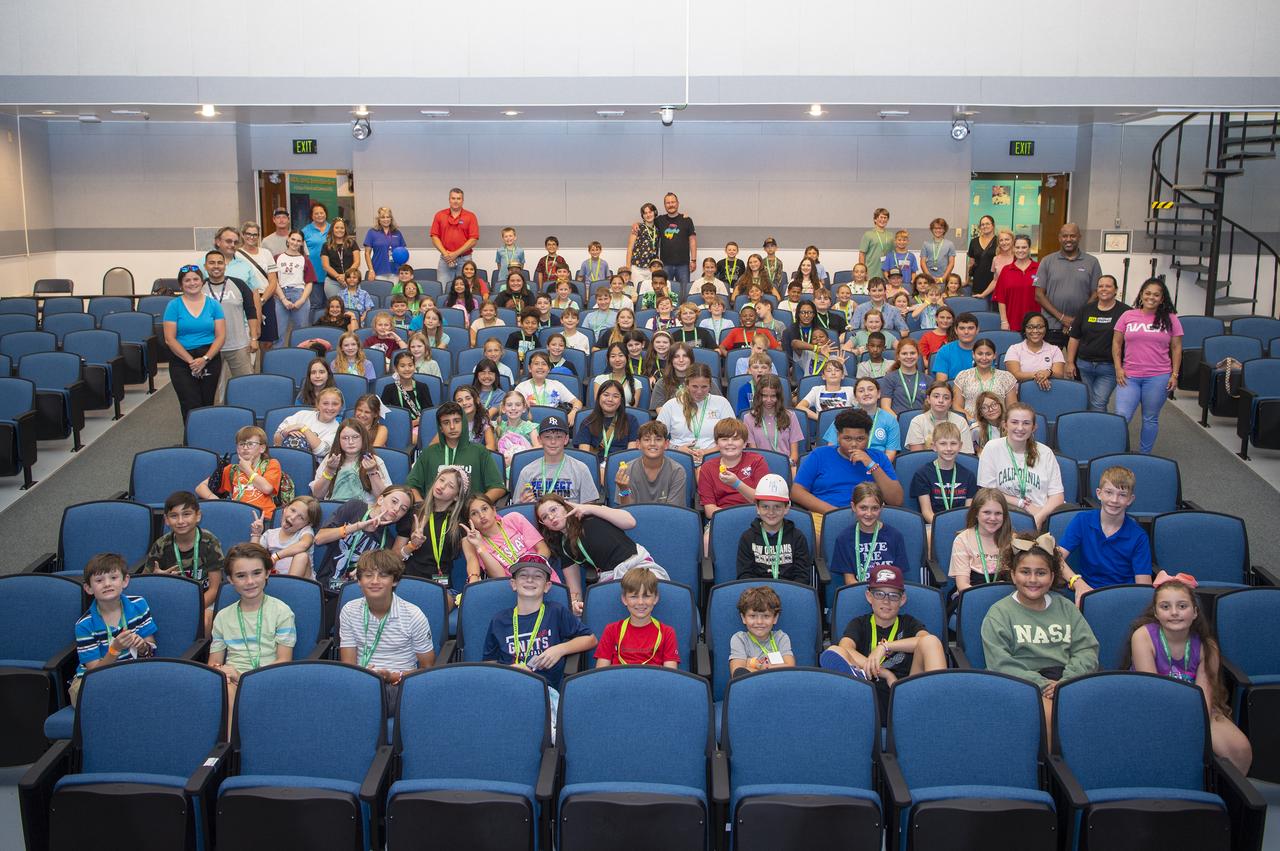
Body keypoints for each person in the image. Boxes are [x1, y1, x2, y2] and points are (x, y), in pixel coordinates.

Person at [1125, 572, 1252, 774]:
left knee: (1240, 750)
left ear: (1195, 612)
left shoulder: (1207, 646)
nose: (1174, 612)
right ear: (1156, 613)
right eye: (1165, 607)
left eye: (1182, 606)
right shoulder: (1143, 637)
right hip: (1150, 707)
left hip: (1196, 710)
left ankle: (1222, 791)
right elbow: (1153, 693)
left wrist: (1194, 724)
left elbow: (1204, 699)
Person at [980, 532, 1099, 725]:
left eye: (1041, 573)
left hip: (1067, 680)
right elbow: (999, 662)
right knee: (1054, 717)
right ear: (1013, 575)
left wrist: (1067, 682)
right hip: (1022, 683)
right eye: (1025, 572)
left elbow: (1086, 649)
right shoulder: (999, 613)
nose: (1033, 579)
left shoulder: (1066, 608)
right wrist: (1042, 685)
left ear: (1052, 577)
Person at [821, 565, 947, 711]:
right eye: (879, 594)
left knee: (931, 641)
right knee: (834, 650)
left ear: (902, 599)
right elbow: (845, 647)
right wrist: (885, 673)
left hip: (906, 694)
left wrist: (885, 647)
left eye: (893, 596)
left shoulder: (909, 623)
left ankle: (937, 709)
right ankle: (858, 684)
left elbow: (927, 641)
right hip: (868, 693)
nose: (886, 601)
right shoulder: (859, 624)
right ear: (869, 596)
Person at [534, 495, 669, 613]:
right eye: (545, 517)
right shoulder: (564, 547)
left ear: (565, 506)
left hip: (639, 567)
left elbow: (630, 522)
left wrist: (588, 508)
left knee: (647, 595)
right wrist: (574, 603)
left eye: (553, 509)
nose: (551, 517)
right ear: (544, 524)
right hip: (612, 578)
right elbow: (575, 591)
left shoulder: (591, 516)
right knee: (603, 609)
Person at [483, 556, 596, 692]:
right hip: (508, 687)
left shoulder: (555, 612)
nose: (530, 580)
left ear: (547, 586)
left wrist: (560, 649)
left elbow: (590, 639)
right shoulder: (499, 620)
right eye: (523, 575)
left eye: (537, 576)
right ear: (513, 584)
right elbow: (489, 665)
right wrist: (509, 671)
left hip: (545, 690)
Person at [208, 543, 297, 704]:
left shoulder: (281, 611)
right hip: (231, 683)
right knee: (223, 690)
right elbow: (214, 663)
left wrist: (241, 677)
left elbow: (284, 661)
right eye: (241, 576)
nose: (250, 581)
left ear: (267, 573)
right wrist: (220, 670)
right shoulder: (222, 617)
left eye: (256, 573)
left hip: (270, 680)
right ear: (230, 579)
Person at [338, 549, 436, 688]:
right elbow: (349, 667)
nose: (375, 581)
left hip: (401, 685)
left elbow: (427, 669)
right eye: (368, 575)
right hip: (359, 683)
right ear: (359, 581)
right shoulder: (349, 611)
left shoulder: (413, 615)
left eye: (383, 576)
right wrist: (363, 677)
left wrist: (391, 677)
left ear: (394, 581)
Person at [1056, 465, 1153, 602]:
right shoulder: (1082, 520)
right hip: (1088, 593)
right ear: (1099, 493)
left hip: (1122, 598)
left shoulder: (1139, 537)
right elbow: (1056, 557)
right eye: (1109, 492)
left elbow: (1143, 589)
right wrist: (1077, 583)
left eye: (1122, 495)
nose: (1114, 500)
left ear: (1130, 499)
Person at [71, 553, 157, 703]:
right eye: (99, 580)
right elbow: (94, 673)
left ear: (125, 581)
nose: (107, 584)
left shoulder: (139, 604)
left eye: (113, 577)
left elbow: (151, 647)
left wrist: (143, 646)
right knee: (87, 696)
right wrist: (115, 649)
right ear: (88, 588)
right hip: (96, 679)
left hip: (132, 673)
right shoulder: (84, 625)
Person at [1114, 277, 1183, 454]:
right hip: (1129, 376)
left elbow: (1176, 348)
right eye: (1148, 293)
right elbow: (1116, 343)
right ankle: (1117, 452)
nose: (1151, 297)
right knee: (1121, 416)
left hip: (1158, 377)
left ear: (1162, 298)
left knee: (1150, 418)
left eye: (1156, 295)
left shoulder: (1171, 319)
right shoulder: (1128, 316)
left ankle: (1145, 455)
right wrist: (1118, 368)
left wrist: (1175, 374)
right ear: (1141, 295)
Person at [792, 410, 904, 517]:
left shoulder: (878, 457)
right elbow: (796, 492)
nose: (854, 444)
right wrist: (834, 513)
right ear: (838, 436)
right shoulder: (819, 455)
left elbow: (896, 501)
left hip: (869, 517)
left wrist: (871, 464)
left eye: (860, 439)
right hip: (824, 516)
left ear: (868, 436)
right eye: (847, 438)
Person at [311, 485, 415, 594]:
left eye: (403, 509)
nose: (397, 509)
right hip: (324, 586)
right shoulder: (355, 507)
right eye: (394, 501)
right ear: (380, 499)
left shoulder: (388, 541)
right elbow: (319, 539)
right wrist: (357, 527)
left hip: (355, 593)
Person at [976, 402, 1065, 527]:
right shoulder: (992, 448)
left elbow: (1057, 496)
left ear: (1034, 427)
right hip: (1007, 516)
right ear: (1005, 425)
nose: (1020, 428)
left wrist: (1039, 518)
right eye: (1014, 422)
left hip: (1042, 513)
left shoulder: (1045, 452)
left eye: (1026, 423)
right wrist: (1021, 503)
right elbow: (988, 492)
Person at [145, 491, 223, 632]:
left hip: (205, 598)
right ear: (166, 520)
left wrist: (192, 609)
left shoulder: (209, 541)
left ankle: (201, 647)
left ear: (198, 516)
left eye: (186, 514)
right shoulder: (161, 545)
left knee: (204, 621)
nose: (180, 521)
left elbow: (214, 589)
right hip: (172, 599)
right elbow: (146, 583)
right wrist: (158, 579)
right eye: (174, 516)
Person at [406, 402, 507, 503]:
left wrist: (477, 505)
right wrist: (421, 506)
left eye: (457, 421)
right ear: (440, 428)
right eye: (446, 423)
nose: (452, 427)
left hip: (469, 511)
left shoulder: (480, 451)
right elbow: (411, 486)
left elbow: (498, 487)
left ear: (464, 423)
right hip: (434, 511)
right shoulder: (428, 453)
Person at [164, 264, 226, 421]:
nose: (192, 283)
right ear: (181, 284)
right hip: (182, 359)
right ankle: (191, 436)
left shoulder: (214, 305)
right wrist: (191, 362)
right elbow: (169, 339)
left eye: (196, 279)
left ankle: (206, 434)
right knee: (190, 403)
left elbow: (220, 336)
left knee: (207, 403)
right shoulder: (174, 306)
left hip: (209, 357)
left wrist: (205, 359)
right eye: (187, 280)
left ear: (202, 282)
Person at [201, 241, 259, 401]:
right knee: (212, 390)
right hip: (210, 347)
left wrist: (254, 338)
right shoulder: (200, 287)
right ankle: (215, 413)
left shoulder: (238, 284)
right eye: (212, 263)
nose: (216, 266)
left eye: (220, 263)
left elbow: (251, 311)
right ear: (205, 266)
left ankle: (246, 413)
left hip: (238, 345)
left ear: (225, 265)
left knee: (246, 386)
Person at [402, 466, 476, 590]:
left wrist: (474, 578)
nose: (442, 486)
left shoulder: (458, 524)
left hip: (440, 584)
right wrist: (412, 545)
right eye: (441, 480)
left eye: (450, 486)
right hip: (409, 579)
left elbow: (471, 557)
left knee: (442, 600)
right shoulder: (415, 512)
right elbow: (395, 557)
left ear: (456, 497)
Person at [593, 567, 681, 668]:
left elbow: (670, 674)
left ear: (655, 598)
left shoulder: (667, 633)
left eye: (646, 596)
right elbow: (601, 672)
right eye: (634, 597)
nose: (640, 602)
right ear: (624, 599)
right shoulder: (611, 630)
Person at [1034, 223, 1102, 347]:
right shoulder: (1047, 261)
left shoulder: (1092, 262)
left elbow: (1096, 294)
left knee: (1078, 360)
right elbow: (1039, 295)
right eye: (1065, 236)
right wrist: (1062, 318)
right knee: (1050, 360)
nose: (1068, 239)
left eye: (1073, 236)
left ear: (1079, 237)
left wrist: (1077, 319)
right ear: (1059, 238)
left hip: (1082, 326)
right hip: (1052, 326)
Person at [735, 474, 813, 583]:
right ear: (757, 508)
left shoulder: (797, 537)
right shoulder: (748, 538)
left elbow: (802, 576)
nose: (771, 512)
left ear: (786, 508)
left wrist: (789, 591)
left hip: (789, 590)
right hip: (757, 592)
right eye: (765, 507)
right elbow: (744, 575)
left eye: (777, 507)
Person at [1066, 274, 1126, 412]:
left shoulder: (1125, 312)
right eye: (1100, 286)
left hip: (1109, 368)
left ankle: (1098, 425)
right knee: (1087, 401)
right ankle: (1092, 424)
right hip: (1084, 365)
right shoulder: (1086, 310)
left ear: (1116, 290)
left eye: (1108, 286)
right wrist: (1070, 362)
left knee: (1098, 403)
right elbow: (1074, 337)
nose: (1104, 289)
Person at [830, 482, 911, 584]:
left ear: (881, 508)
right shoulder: (844, 539)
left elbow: (899, 577)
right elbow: (849, 580)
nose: (869, 513)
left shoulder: (895, 536)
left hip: (888, 590)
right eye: (863, 508)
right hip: (859, 590)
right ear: (853, 507)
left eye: (875, 508)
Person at [463, 494, 556, 581]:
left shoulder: (514, 519)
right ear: (470, 521)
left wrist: (532, 571)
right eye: (474, 513)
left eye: (484, 509)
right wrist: (480, 546)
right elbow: (499, 576)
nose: (482, 515)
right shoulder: (478, 545)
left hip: (542, 576)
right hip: (514, 588)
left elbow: (544, 550)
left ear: (494, 510)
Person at [657, 363, 735, 465]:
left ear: (710, 385)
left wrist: (707, 453)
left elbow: (734, 436)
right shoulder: (671, 405)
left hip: (713, 458)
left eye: (704, 387)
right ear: (686, 384)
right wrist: (677, 449)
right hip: (678, 459)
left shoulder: (721, 403)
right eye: (694, 386)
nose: (699, 391)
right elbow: (657, 437)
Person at [196, 425, 282, 517]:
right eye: (241, 444)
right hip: (238, 516)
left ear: (262, 448)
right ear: (237, 449)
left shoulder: (271, 464)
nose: (245, 447)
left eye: (250, 444)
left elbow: (267, 488)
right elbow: (200, 487)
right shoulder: (232, 469)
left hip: (264, 517)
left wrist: (247, 469)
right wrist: (215, 499)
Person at [512, 415, 600, 503]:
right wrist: (522, 503)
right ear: (539, 440)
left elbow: (589, 505)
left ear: (566, 439)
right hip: (536, 511)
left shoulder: (580, 469)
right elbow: (517, 506)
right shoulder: (527, 471)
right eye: (547, 437)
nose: (553, 442)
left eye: (558, 437)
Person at [697, 418, 766, 523]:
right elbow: (709, 511)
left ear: (745, 443)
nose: (730, 443)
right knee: (709, 535)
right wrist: (735, 519)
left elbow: (764, 502)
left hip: (755, 517)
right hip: (723, 519)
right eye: (724, 439)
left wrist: (736, 483)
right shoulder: (707, 468)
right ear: (717, 443)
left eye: (735, 439)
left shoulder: (757, 461)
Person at [910, 421, 977, 524]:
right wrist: (942, 528)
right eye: (943, 444)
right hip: (933, 526)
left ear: (960, 446)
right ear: (934, 446)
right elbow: (927, 512)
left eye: (953, 443)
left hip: (962, 526)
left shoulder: (969, 476)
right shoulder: (922, 475)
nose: (949, 448)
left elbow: (968, 511)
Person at [311, 418, 390, 503]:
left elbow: (383, 497)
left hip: (364, 508)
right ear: (338, 440)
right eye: (345, 438)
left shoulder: (375, 460)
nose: (350, 442)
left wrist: (372, 471)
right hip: (334, 507)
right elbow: (317, 495)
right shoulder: (330, 459)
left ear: (363, 438)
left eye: (355, 437)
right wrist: (330, 470)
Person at [948, 487, 1014, 590]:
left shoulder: (1013, 540)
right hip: (972, 593)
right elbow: (962, 586)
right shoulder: (963, 540)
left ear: (1004, 516)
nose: (993, 518)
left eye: (998, 513)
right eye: (987, 512)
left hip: (1006, 595)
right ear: (976, 513)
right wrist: (991, 594)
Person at [821, 377, 901, 459]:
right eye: (861, 391)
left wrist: (872, 466)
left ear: (878, 394)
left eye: (870, 389)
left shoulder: (890, 420)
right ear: (855, 397)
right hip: (846, 461)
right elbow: (832, 448)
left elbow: (890, 454)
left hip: (877, 464)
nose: (866, 393)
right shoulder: (844, 417)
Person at [575, 380, 639, 483]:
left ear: (621, 400)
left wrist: (615, 471)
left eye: (615, 396)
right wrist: (598, 471)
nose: (610, 399)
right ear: (599, 397)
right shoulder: (588, 422)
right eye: (606, 395)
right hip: (594, 469)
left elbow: (630, 455)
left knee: (624, 486)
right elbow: (585, 457)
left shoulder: (631, 421)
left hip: (622, 469)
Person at [615, 420, 689, 507]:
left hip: (666, 515)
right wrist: (623, 489)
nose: (652, 444)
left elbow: (674, 510)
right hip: (634, 515)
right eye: (647, 439)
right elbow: (626, 509)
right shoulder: (626, 470)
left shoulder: (677, 471)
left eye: (658, 439)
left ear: (666, 444)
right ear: (638, 444)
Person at [743, 374, 804, 471]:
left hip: (786, 467)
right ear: (758, 396)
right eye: (764, 396)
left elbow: (794, 455)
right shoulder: (748, 418)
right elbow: (753, 453)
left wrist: (785, 466)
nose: (769, 400)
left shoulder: (790, 416)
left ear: (778, 396)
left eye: (773, 396)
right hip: (760, 468)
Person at [251, 495, 319, 577]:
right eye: (293, 510)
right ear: (285, 508)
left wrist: (276, 556)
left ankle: (289, 584)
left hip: (303, 582)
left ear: (308, 524)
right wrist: (256, 534)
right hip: (278, 579)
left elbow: (304, 544)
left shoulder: (305, 531)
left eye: (301, 517)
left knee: (302, 556)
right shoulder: (270, 534)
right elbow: (253, 558)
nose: (293, 517)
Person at [951, 338, 1019, 419]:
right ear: (973, 354)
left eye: (988, 354)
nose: (984, 358)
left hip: (999, 423)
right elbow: (956, 406)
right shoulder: (963, 376)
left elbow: (1012, 409)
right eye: (980, 354)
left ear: (994, 355)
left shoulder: (1006, 377)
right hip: (970, 423)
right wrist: (971, 421)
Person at [272, 230, 317, 345]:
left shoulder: (305, 260)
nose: (295, 243)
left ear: (302, 243)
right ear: (288, 239)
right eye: (293, 239)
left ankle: (299, 354)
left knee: (301, 333)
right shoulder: (277, 258)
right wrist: (283, 299)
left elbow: (309, 283)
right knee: (278, 333)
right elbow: (273, 281)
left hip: (299, 295)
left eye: (298, 241)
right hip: (280, 295)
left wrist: (301, 300)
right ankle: (278, 355)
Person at [274, 386, 343, 458]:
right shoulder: (302, 414)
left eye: (335, 404)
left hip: (311, 464)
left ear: (341, 407)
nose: (330, 408)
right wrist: (284, 433)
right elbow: (276, 441)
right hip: (283, 458)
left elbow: (321, 451)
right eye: (325, 403)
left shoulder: (338, 430)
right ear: (318, 404)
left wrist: (302, 428)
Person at [905, 382, 975, 453]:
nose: (941, 401)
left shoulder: (961, 421)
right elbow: (917, 456)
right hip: (926, 460)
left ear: (951, 402)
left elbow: (966, 454)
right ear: (928, 399)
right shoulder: (917, 421)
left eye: (946, 398)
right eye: (936, 396)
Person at [515, 351, 583, 423]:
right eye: (536, 364)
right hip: (528, 425)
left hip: (552, 425)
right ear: (529, 368)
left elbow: (577, 402)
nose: (540, 367)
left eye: (544, 364)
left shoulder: (556, 385)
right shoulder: (521, 387)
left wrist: (573, 412)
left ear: (549, 369)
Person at [1004, 312, 1065, 391]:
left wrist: (1049, 372)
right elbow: (1014, 375)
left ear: (1046, 329)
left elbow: (1059, 374)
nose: (1035, 331)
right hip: (1020, 394)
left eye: (1039, 327)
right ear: (1024, 329)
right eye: (1030, 327)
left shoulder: (1055, 350)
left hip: (1049, 392)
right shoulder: (1014, 349)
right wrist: (1040, 375)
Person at [381, 351, 432, 443]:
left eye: (410, 365)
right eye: (402, 366)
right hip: (397, 428)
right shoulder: (389, 389)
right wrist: (408, 424)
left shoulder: (422, 387)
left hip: (419, 427)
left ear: (414, 367)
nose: (407, 369)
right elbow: (383, 415)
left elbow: (428, 413)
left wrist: (416, 422)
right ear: (396, 368)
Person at [430, 187, 478, 284]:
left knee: (465, 288)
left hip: (464, 259)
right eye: (453, 198)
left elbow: (473, 239)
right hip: (445, 259)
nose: (456, 201)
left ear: (462, 200)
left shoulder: (470, 216)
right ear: (449, 200)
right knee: (443, 288)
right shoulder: (439, 215)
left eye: (458, 198)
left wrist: (455, 254)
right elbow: (434, 236)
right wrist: (446, 255)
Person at [993, 235, 1039, 332]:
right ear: (1013, 249)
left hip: (1035, 324)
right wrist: (1004, 321)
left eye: (1024, 247)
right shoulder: (1006, 270)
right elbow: (1001, 299)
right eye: (1017, 247)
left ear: (1029, 249)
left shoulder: (1039, 269)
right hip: (1012, 323)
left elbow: (1044, 296)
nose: (1020, 250)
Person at [654, 192, 697, 286]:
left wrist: (693, 260)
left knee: (684, 291)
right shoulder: (659, 220)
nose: (671, 205)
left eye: (673, 202)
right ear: (665, 205)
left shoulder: (687, 220)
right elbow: (647, 222)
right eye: (668, 203)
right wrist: (636, 224)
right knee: (664, 290)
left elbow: (692, 240)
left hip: (683, 265)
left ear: (677, 203)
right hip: (665, 264)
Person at [879, 339, 930, 416]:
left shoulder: (928, 379)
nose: (909, 357)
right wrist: (900, 421)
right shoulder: (889, 378)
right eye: (904, 353)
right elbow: (885, 407)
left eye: (912, 353)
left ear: (918, 355)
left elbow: (931, 407)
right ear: (898, 356)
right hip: (897, 421)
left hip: (922, 421)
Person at [930, 312, 980, 381]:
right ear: (956, 330)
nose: (966, 332)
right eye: (962, 328)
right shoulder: (945, 351)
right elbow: (942, 384)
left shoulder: (985, 351)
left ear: (977, 330)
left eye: (970, 328)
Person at [362, 206, 407, 280]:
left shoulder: (397, 233)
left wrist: (403, 271)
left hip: (395, 271)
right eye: (383, 217)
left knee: (395, 288)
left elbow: (403, 253)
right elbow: (367, 253)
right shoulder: (372, 232)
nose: (386, 219)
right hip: (378, 271)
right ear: (379, 219)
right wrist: (371, 270)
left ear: (391, 219)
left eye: (388, 217)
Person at [321, 217, 361, 300]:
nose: (339, 230)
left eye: (342, 228)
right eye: (337, 228)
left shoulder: (352, 243)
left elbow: (357, 262)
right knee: (336, 305)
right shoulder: (326, 245)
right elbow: (326, 266)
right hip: (333, 281)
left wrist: (346, 276)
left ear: (345, 230)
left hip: (351, 279)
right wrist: (338, 277)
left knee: (354, 304)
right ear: (332, 229)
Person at [625, 202, 660, 286]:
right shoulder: (637, 228)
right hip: (638, 268)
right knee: (638, 291)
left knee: (650, 291)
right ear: (643, 216)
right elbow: (630, 249)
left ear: (654, 212)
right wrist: (628, 268)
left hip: (651, 269)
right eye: (645, 213)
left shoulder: (657, 229)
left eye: (650, 212)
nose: (648, 215)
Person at [857, 208, 893, 279]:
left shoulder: (891, 235)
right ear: (875, 219)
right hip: (871, 272)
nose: (883, 220)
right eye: (881, 217)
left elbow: (893, 254)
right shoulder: (868, 234)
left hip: (886, 273)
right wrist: (863, 272)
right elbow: (862, 254)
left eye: (885, 217)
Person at [966, 214, 998, 295]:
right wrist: (967, 280)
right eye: (982, 224)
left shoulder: (999, 241)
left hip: (995, 280)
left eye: (987, 224)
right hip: (978, 279)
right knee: (977, 302)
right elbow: (971, 263)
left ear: (993, 225)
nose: (985, 226)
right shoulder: (974, 242)